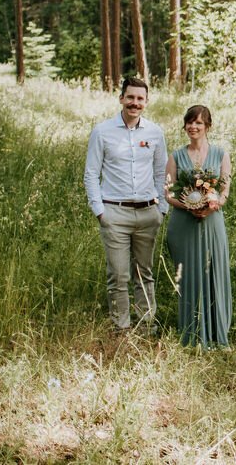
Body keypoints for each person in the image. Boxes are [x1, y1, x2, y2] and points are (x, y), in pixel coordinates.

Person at [83, 76, 168, 333]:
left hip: (147, 213)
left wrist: (161, 209)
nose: (135, 103)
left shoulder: (155, 132)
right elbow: (91, 174)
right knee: (119, 276)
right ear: (121, 98)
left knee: (145, 274)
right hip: (114, 213)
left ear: (146, 102)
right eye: (130, 97)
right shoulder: (102, 132)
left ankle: (145, 327)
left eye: (140, 98)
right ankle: (121, 329)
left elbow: (162, 173)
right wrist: (100, 212)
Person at [164, 105, 233, 348]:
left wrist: (211, 205)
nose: (193, 127)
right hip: (184, 224)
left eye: (199, 123)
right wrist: (189, 206)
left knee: (214, 273)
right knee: (189, 277)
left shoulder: (220, 154)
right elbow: (168, 193)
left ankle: (216, 334)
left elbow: (224, 191)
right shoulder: (175, 156)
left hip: (212, 223)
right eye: (189, 122)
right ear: (185, 126)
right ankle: (191, 335)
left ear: (208, 126)